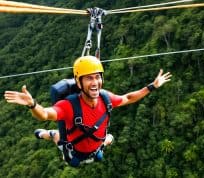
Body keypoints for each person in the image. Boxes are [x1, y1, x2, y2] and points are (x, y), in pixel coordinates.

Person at [4, 55, 172, 166]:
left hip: (96, 146)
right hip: (75, 150)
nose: (95, 82)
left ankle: (104, 141)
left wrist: (152, 86)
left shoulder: (106, 98)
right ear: (79, 83)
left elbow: (128, 98)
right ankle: (46, 134)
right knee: (62, 146)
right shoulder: (69, 106)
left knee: (103, 147)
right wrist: (32, 104)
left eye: (97, 77)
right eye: (89, 78)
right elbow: (45, 114)